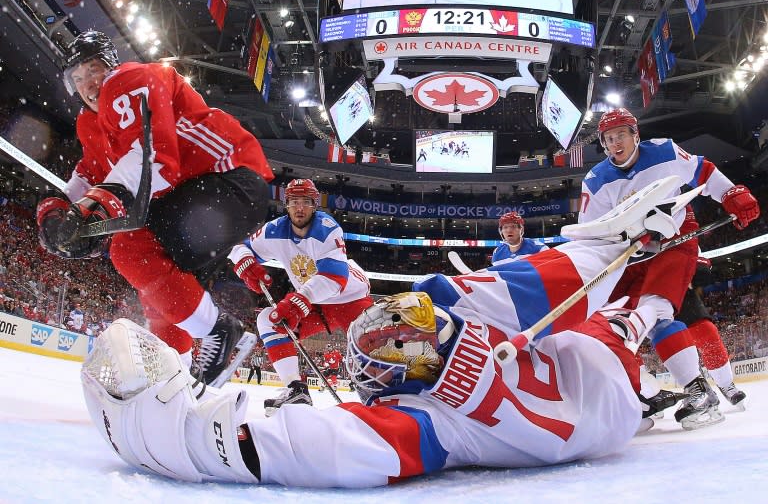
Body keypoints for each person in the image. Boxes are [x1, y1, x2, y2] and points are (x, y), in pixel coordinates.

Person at [81, 187, 683, 487]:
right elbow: (317, 437)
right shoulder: (450, 385)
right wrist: (618, 249)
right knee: (626, 315)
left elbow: (314, 442)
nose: (419, 326)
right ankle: (633, 271)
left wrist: (168, 430)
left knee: (621, 317)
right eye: (411, 331)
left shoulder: (435, 426)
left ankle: (635, 280)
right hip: (604, 386)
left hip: (344, 301)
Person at [35, 30, 274, 386]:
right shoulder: (91, 122)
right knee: (157, 282)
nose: (88, 84)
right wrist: (58, 212)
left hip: (232, 180)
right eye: (78, 78)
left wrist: (91, 210)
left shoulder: (128, 80)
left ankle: (220, 331)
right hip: (202, 196)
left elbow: (153, 161)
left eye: (94, 69)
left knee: (133, 249)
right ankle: (172, 378)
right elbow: (92, 171)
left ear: (111, 66)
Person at [578, 107, 760, 429]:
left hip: (674, 241)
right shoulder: (595, 181)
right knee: (604, 321)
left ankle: (703, 390)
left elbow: (702, 171)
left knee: (655, 308)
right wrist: (628, 235)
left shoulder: (664, 150)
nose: (615, 142)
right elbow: (593, 233)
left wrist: (730, 192)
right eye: (608, 138)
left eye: (621, 134)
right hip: (631, 254)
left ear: (636, 135)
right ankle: (642, 393)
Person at [227, 178, 373, 416]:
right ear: (286, 205)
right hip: (315, 303)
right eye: (294, 202)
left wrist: (301, 298)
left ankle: (378, 398)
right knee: (268, 320)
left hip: (350, 299)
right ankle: (296, 390)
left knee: (370, 349)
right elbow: (239, 245)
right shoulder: (275, 230)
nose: (299, 208)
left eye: (305, 202)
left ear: (314, 205)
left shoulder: (327, 228)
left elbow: (335, 277)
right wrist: (244, 261)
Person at [653, 256, 746, 409]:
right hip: (644, 292)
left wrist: (698, 265)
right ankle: (646, 394)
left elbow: (695, 256)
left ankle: (725, 383)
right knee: (664, 340)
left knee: (705, 332)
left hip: (677, 289)